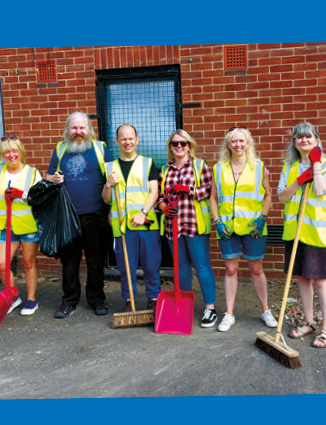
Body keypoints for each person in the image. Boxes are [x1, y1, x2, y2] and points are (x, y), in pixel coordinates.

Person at [276, 122, 326, 348]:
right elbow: (282, 197)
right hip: (294, 232)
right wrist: (298, 181)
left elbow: (321, 190)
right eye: (299, 137)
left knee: (321, 280)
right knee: (302, 278)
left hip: (316, 233)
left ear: (316, 140)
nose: (304, 140)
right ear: (294, 142)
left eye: (308, 137)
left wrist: (314, 167)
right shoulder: (288, 167)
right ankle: (309, 322)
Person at [42, 111, 111, 318]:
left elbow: (113, 180)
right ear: (67, 130)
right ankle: (69, 301)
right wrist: (53, 178)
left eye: (82, 128)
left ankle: (97, 300)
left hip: (95, 215)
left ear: (89, 129)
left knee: (95, 261)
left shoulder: (100, 149)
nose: (78, 132)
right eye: (74, 128)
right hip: (67, 216)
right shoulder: (60, 149)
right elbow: (48, 175)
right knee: (69, 263)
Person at [209, 127, 278, 332]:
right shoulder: (219, 168)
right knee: (231, 269)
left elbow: (267, 197)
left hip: (253, 227)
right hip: (227, 228)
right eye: (234, 141)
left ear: (248, 143)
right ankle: (229, 314)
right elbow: (213, 198)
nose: (238, 145)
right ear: (228, 144)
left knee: (256, 269)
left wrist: (262, 218)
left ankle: (265, 310)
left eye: (241, 141)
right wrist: (217, 221)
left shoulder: (259, 167)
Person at [156, 129, 218, 327]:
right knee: (180, 268)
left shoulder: (200, 166)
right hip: (172, 226)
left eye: (183, 143)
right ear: (170, 147)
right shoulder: (165, 170)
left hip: (195, 225)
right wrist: (164, 207)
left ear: (189, 145)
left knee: (202, 266)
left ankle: (210, 308)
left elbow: (209, 192)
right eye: (175, 144)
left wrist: (189, 190)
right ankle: (184, 305)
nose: (179, 147)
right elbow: (159, 197)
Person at [103, 124, 162, 311]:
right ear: (117, 141)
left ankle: (153, 298)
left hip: (146, 224)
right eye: (123, 138)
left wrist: (142, 212)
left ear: (137, 140)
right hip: (122, 226)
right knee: (125, 267)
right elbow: (106, 199)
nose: (127, 142)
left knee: (151, 265)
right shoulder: (110, 167)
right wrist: (108, 184)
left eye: (130, 138)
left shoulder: (147, 163)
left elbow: (155, 191)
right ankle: (130, 300)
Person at [0, 136, 42, 315]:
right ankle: (13, 297)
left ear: (21, 152)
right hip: (7, 226)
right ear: (2, 154)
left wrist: (21, 194)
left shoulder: (32, 173)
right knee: (1, 264)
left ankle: (31, 300)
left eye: (14, 150)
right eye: (7, 151)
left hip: (27, 225)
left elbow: (39, 198)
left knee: (28, 262)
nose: (11, 154)